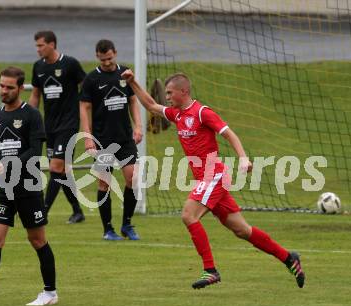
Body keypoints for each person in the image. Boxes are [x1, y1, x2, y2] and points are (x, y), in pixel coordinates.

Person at [121, 69, 305, 289]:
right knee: (242, 230)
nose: (167, 97)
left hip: (213, 175)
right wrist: (133, 82)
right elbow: (151, 105)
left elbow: (229, 133)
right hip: (207, 178)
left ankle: (210, 270)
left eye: (170, 93)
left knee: (189, 215)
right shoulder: (177, 114)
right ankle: (288, 258)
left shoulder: (202, 112)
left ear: (184, 91)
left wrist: (244, 158)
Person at [0, 67, 58, 306]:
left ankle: (50, 293)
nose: (3, 91)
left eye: (9, 87)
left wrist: (10, 162)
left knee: (37, 240)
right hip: (2, 188)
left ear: (20, 89)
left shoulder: (32, 115)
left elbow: (35, 152)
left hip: (28, 186)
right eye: (1, 86)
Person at [80, 39, 143, 241]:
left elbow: (133, 101)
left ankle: (127, 224)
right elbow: (84, 108)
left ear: (115, 53)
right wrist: (88, 137)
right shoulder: (91, 80)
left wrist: (138, 126)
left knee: (132, 178)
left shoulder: (125, 74)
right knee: (104, 183)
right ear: (97, 56)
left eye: (110, 58)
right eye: (103, 59)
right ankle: (108, 229)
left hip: (125, 137)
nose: (107, 62)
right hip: (102, 140)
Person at [29, 30, 85, 224]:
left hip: (68, 125)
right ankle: (77, 211)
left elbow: (85, 87)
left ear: (52, 44)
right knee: (62, 171)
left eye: (40, 45)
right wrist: (29, 117)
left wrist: (85, 110)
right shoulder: (38, 67)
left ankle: (42, 212)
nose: (37, 49)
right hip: (49, 126)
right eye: (36, 45)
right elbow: (36, 94)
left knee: (55, 167)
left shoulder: (70, 64)